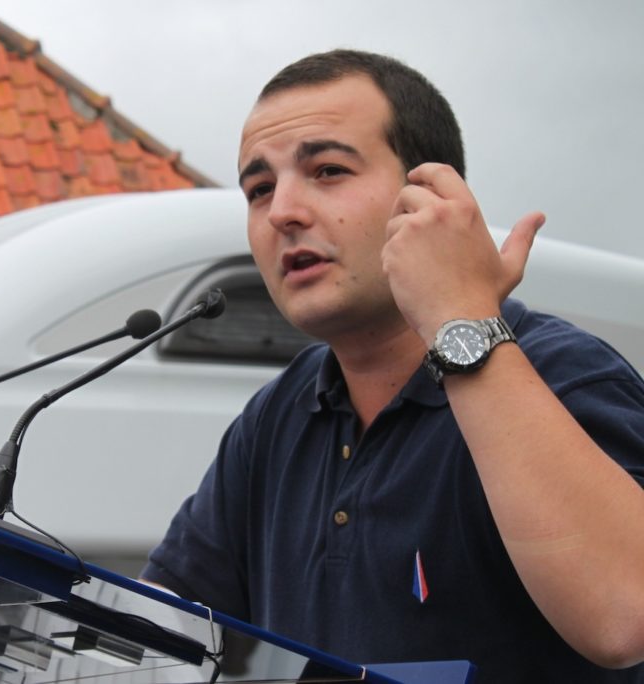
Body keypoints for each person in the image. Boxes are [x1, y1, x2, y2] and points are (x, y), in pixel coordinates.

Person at [140, 49, 644, 682]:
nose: (282, 213)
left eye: (326, 170)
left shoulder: (564, 373)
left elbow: (625, 617)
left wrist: (461, 316)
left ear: (431, 196)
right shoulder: (278, 413)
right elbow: (160, 628)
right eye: (259, 189)